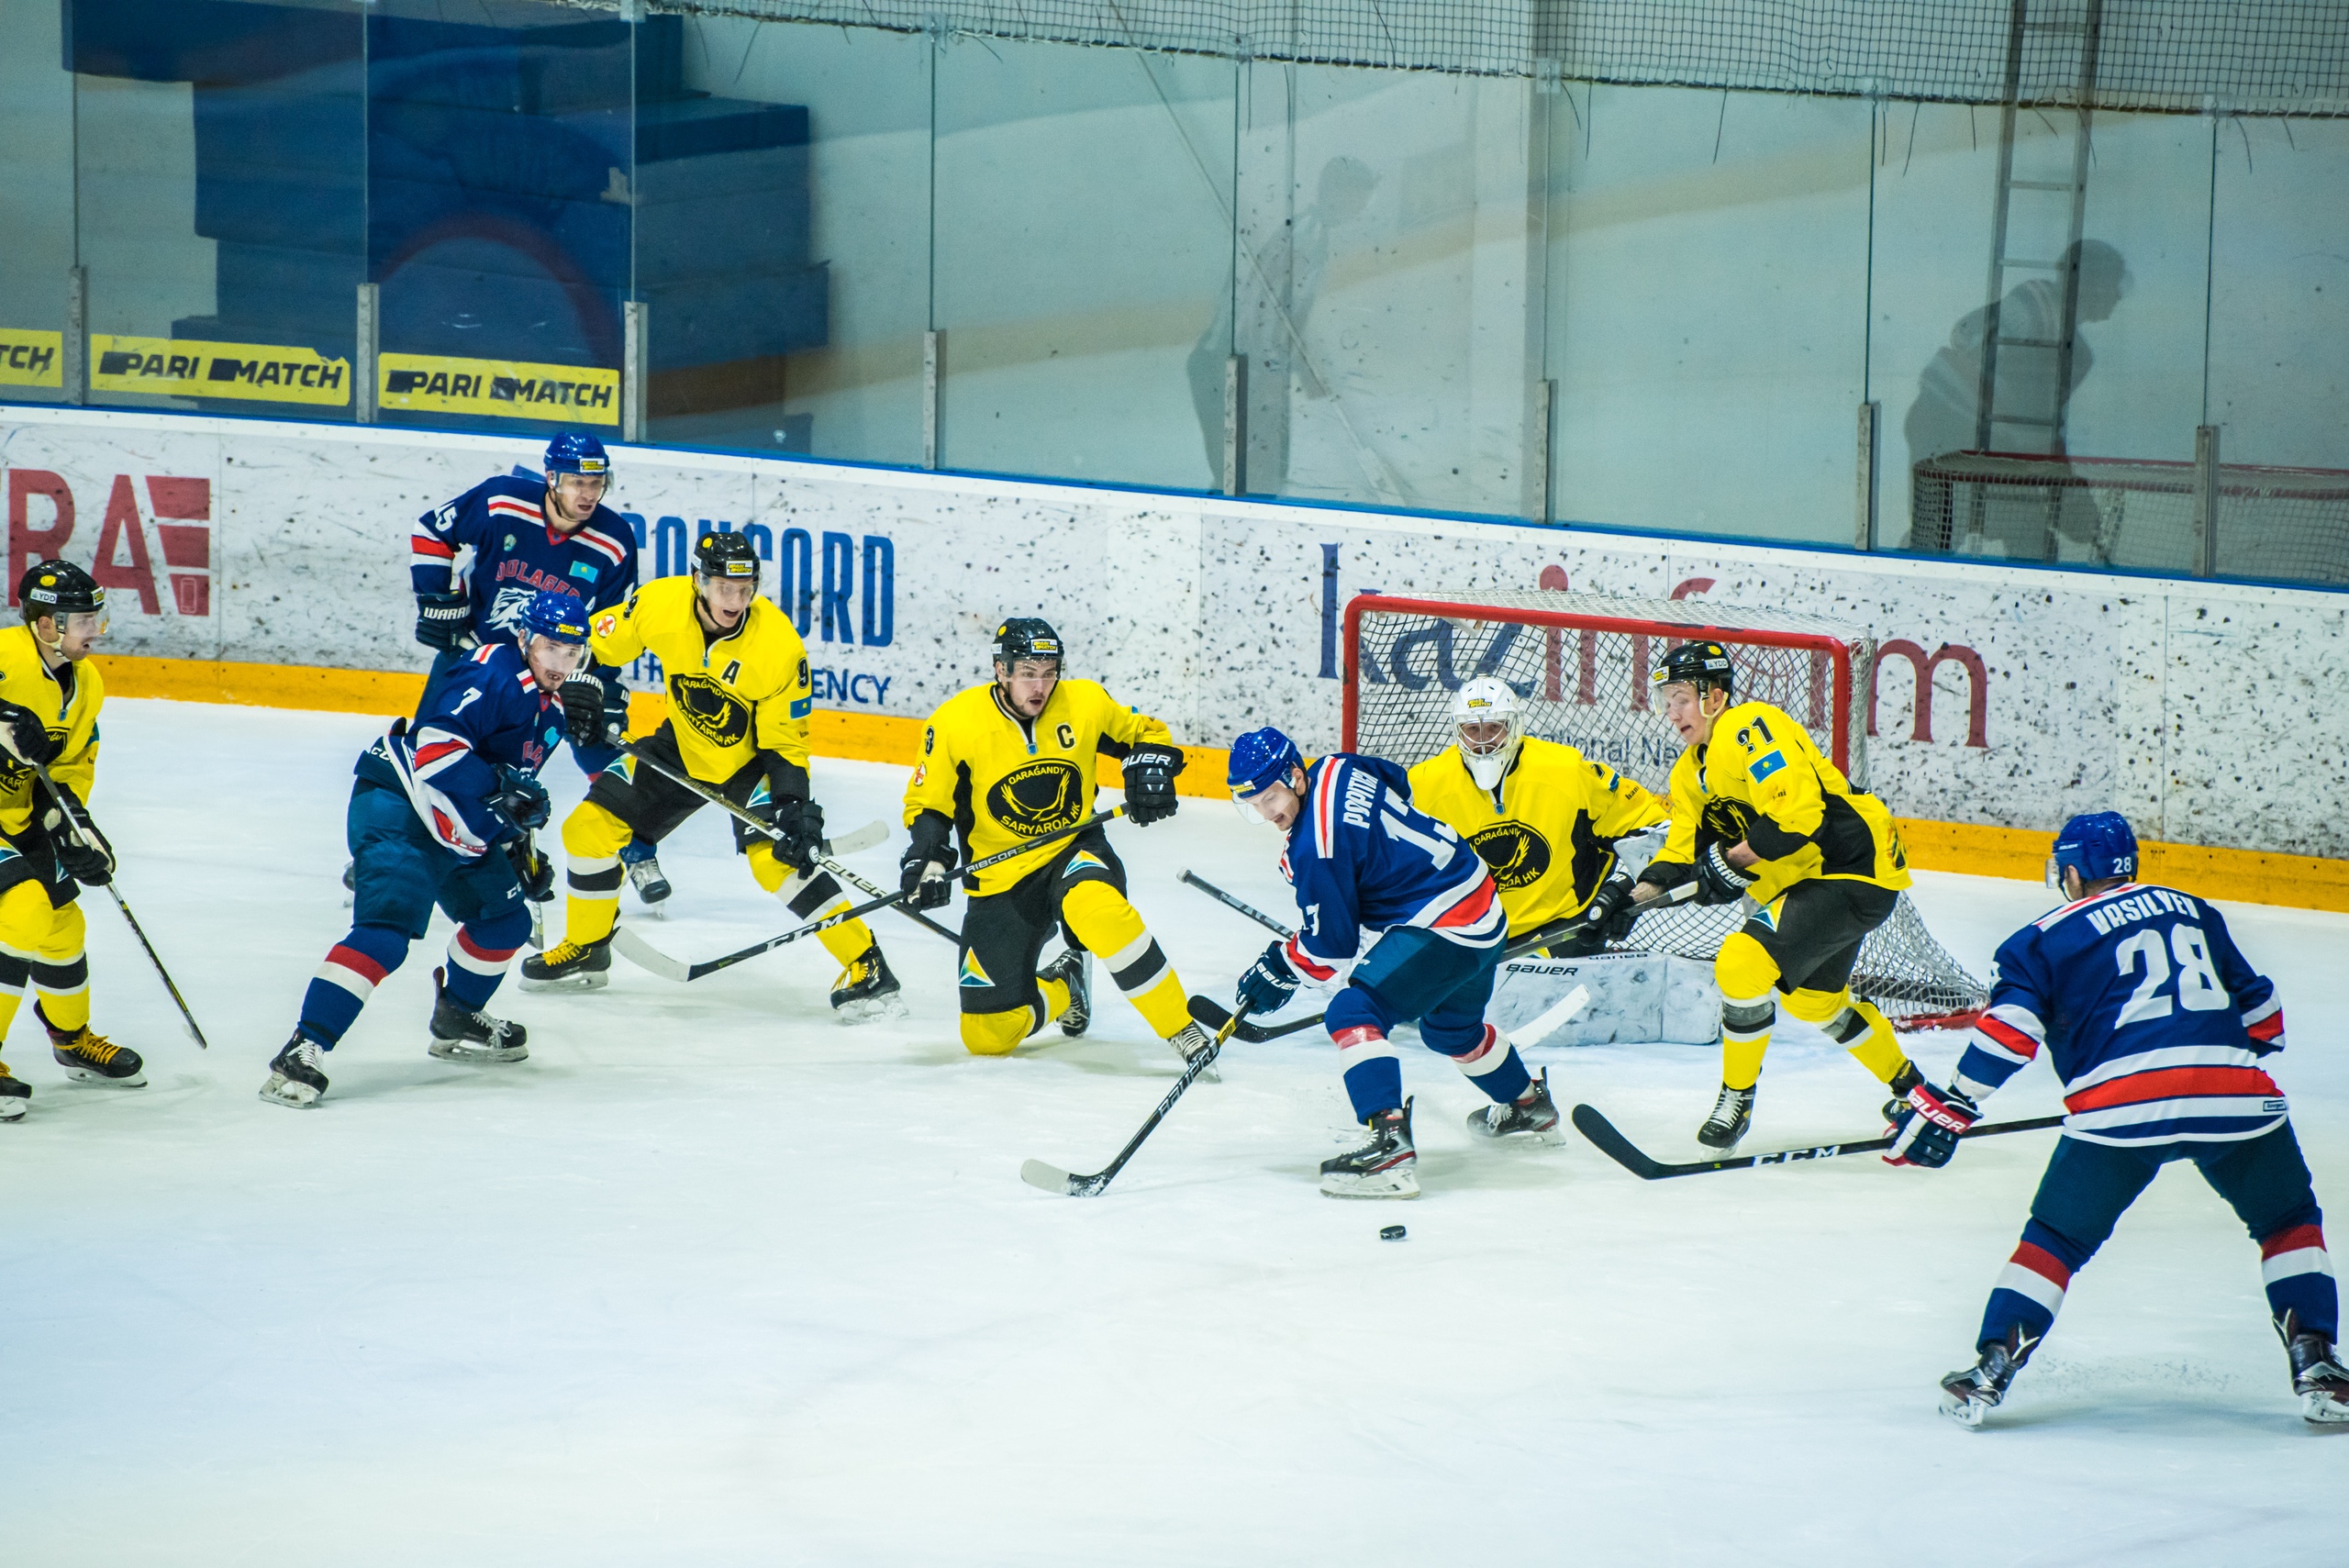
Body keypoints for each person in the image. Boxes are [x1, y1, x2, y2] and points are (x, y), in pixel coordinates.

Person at [1902, 812, 2348, 1429]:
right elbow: (2266, 1019)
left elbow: (2009, 1034)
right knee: (2289, 1221)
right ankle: (2319, 1365)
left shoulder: (2038, 938)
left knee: (2055, 1238)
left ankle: (1990, 1369)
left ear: (2074, 872)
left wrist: (1955, 1102)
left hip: (2119, 1110)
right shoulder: (2193, 909)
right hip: (2236, 1096)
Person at [524, 532, 899, 1017]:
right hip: (680, 745)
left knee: (777, 862)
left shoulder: (778, 646)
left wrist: (792, 808)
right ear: (699, 582)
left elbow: (785, 744)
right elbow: (593, 641)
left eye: (746, 589)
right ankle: (588, 946)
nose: (736, 601)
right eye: (724, 588)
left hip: (751, 764)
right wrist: (582, 683)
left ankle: (866, 964)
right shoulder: (660, 603)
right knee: (586, 831)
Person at [262, 591, 589, 1108]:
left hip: (456, 825)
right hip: (403, 806)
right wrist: (504, 788)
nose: (561, 663)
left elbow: (509, 790)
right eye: (552, 648)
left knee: (504, 923)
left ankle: (457, 1014)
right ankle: (304, 1046)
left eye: (573, 653)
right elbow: (437, 748)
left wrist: (519, 848)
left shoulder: (551, 712)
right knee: (386, 934)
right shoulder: (491, 670)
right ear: (524, 637)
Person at [1229, 726, 1553, 1199]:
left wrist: (1281, 966)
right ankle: (1528, 1106)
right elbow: (1397, 781)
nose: (1268, 811)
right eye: (1254, 804)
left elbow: (1330, 948)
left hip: (1447, 924)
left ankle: (1389, 1146)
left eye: (1273, 795)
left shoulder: (1315, 848)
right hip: (1482, 903)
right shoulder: (1338, 766)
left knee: (1352, 1012)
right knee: (1449, 1031)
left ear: (1295, 775)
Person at [1631, 641, 1920, 1151]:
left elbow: (1797, 815)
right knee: (1816, 1003)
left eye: (1680, 697)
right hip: (1812, 885)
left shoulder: (1751, 727)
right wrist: (1622, 904)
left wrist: (1731, 862)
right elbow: (1678, 857)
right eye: (1665, 701)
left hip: (1851, 867)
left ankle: (1735, 1099)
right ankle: (1914, 1091)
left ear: (1714, 696)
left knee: (1742, 963)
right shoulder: (1687, 773)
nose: (1671, 713)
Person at [900, 618, 1203, 1061]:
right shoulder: (954, 723)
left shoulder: (1084, 702)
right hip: (999, 877)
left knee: (1100, 913)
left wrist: (1152, 766)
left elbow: (1147, 734)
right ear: (1001, 670)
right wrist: (928, 862)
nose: (1040, 686)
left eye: (1049, 671)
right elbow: (929, 805)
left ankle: (1182, 1029)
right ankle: (1066, 984)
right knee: (987, 1035)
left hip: (1073, 850)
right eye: (1027, 673)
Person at [406, 430, 668, 906]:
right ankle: (400, 844)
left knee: (595, 746)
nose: (588, 494)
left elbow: (610, 624)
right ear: (551, 478)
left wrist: (599, 685)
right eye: (576, 482)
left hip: (558, 662)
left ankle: (636, 848)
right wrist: (435, 600)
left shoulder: (613, 541)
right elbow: (431, 531)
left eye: (597, 483)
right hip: (480, 655)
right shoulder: (501, 500)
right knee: (429, 742)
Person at [0, 562, 143, 1119]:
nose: (95, 630)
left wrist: (71, 824)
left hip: (15, 817)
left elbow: (73, 765)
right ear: (44, 624)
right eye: (82, 619)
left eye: (95, 617)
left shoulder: (88, 683)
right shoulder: (4, 657)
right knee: (24, 909)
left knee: (63, 926)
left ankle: (71, 1039)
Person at [1408, 676, 1666, 952]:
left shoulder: (1564, 770)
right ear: (1458, 731)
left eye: (1495, 727)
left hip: (1563, 929)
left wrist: (1621, 889)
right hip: (1466, 937)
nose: (1484, 742)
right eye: (1473, 730)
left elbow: (1651, 825)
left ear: (1515, 726)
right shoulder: (1424, 785)